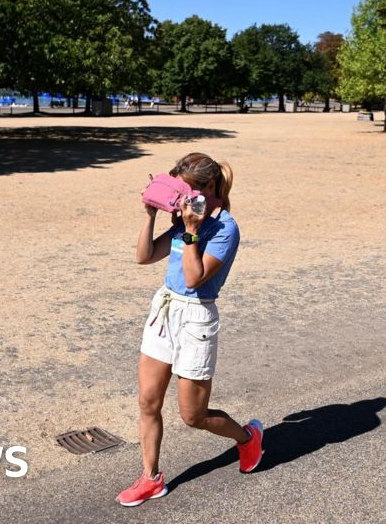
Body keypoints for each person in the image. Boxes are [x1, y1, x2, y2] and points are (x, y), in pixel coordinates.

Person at [117, 153, 263, 507]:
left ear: (210, 187)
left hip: (197, 317)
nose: (185, 197)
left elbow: (196, 279)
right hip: (165, 311)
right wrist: (151, 215)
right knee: (148, 401)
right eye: (182, 189)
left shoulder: (225, 228)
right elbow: (144, 256)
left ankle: (247, 437)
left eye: (193, 189)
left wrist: (192, 231)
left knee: (193, 415)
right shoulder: (182, 218)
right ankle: (151, 479)